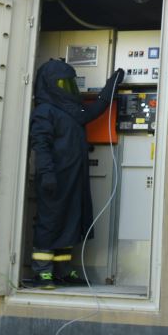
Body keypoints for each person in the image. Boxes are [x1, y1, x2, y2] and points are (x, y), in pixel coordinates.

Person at [25, 60, 125, 290]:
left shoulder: (71, 110)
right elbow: (40, 145)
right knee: (49, 223)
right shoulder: (44, 111)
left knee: (70, 221)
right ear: (51, 85)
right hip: (55, 178)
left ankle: (61, 271)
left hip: (73, 178)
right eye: (63, 83)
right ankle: (43, 273)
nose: (68, 88)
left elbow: (91, 112)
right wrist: (47, 173)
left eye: (70, 82)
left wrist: (111, 86)